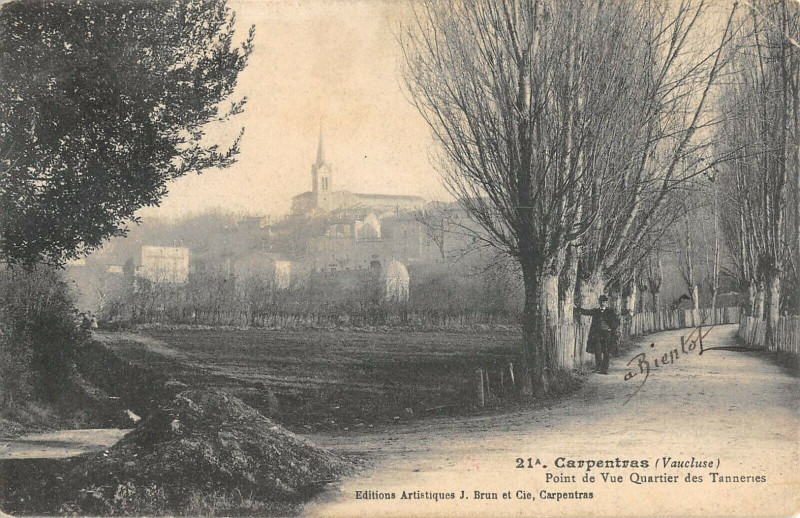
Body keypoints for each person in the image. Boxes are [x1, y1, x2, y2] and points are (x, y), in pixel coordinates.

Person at [575, 295, 619, 374]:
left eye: (605, 302)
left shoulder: (610, 312)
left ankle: (604, 369)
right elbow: (586, 312)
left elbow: (617, 321)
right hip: (597, 333)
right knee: (597, 350)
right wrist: (578, 308)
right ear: (599, 302)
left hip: (606, 334)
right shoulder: (596, 311)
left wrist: (611, 328)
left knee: (606, 351)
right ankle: (598, 367)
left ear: (606, 303)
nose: (603, 303)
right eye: (602, 302)